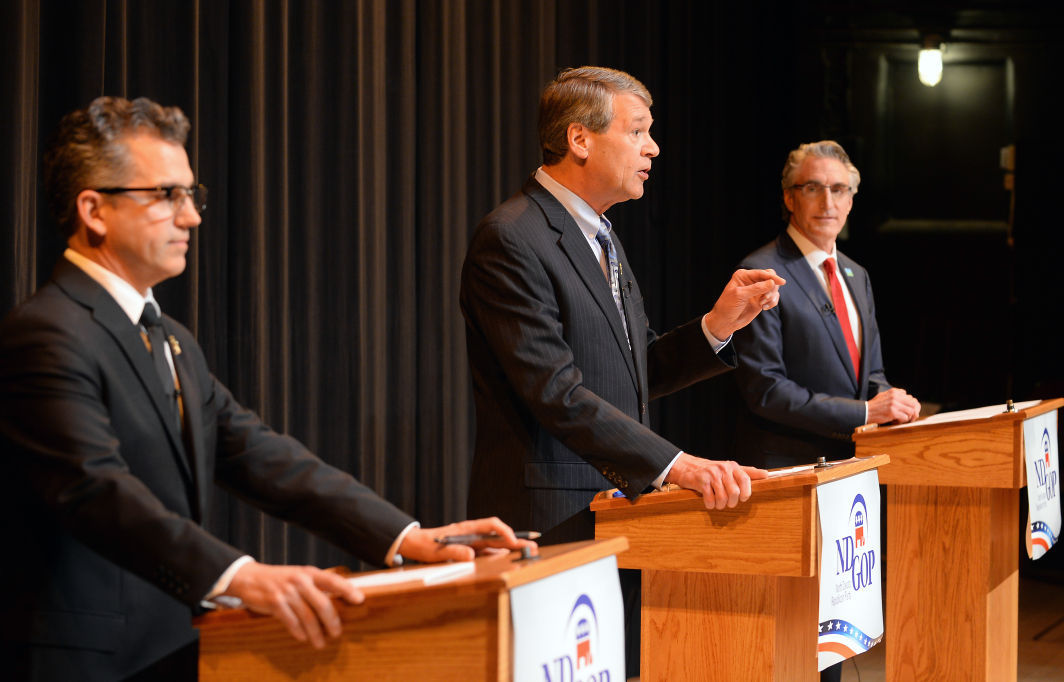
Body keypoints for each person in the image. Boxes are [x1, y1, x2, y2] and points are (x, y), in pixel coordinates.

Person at [0, 96, 535, 682]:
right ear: (94, 210)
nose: (191, 217)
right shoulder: (46, 333)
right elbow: (95, 490)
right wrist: (242, 576)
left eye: (192, 195)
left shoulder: (170, 337)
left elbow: (260, 456)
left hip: (181, 647)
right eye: (167, 195)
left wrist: (407, 538)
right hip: (84, 661)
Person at [459, 66, 783, 673]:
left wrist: (717, 326)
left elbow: (633, 373)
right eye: (637, 132)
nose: (652, 148)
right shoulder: (512, 238)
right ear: (580, 139)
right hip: (550, 522)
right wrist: (679, 465)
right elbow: (555, 392)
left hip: (613, 514)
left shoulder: (601, 236)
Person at [731, 140, 920, 682]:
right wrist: (864, 410)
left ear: (853, 199)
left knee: (832, 639)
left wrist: (892, 402)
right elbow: (765, 390)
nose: (828, 201)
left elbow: (871, 373)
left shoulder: (856, 274)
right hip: (787, 475)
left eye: (839, 189)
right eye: (812, 187)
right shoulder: (762, 271)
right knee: (791, 644)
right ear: (789, 198)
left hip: (845, 480)